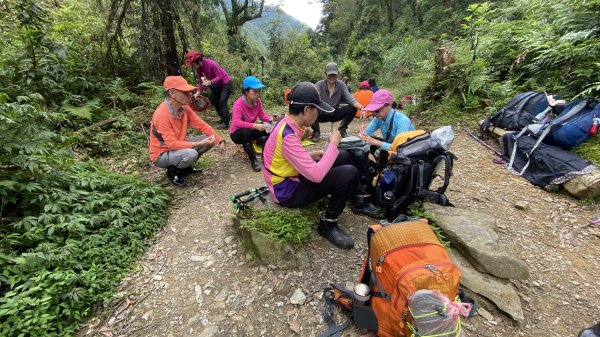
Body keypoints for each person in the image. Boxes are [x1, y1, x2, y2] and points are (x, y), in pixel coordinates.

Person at [262, 82, 364, 249]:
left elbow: (278, 155)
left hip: (290, 175)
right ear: (307, 109)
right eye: (317, 109)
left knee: (343, 156)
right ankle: (328, 224)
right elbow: (316, 175)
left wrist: (309, 155)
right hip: (286, 191)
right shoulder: (287, 134)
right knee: (350, 173)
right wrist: (332, 144)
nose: (319, 113)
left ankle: (348, 195)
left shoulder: (286, 123)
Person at [149, 75, 226, 186]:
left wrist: (220, 140)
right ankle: (173, 172)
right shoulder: (161, 114)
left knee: (210, 139)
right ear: (172, 93)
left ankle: (184, 167)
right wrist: (200, 143)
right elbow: (171, 144)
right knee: (191, 153)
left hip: (177, 148)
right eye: (185, 92)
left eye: (189, 92)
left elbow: (202, 125)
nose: (189, 95)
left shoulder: (184, 108)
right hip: (161, 154)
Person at [358, 89, 415, 167]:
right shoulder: (378, 118)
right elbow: (366, 134)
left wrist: (376, 142)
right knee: (367, 141)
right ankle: (382, 163)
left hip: (406, 151)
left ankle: (384, 166)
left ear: (388, 105)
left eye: (377, 110)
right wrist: (362, 134)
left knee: (380, 147)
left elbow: (399, 148)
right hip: (392, 144)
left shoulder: (402, 120)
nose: (374, 113)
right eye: (372, 110)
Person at [230, 76, 276, 172]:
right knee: (245, 132)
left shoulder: (257, 101)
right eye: (254, 91)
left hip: (250, 130)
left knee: (268, 129)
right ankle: (253, 160)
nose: (257, 94)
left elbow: (262, 115)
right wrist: (255, 125)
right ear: (246, 92)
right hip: (237, 134)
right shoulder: (238, 103)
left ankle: (268, 154)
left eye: (258, 91)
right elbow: (236, 122)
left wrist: (270, 119)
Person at [309, 62, 365, 142]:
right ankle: (316, 132)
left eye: (334, 75)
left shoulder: (341, 85)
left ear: (338, 74)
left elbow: (350, 99)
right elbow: (311, 98)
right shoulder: (319, 85)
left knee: (352, 108)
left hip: (334, 112)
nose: (332, 77)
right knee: (311, 108)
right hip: (321, 113)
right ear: (325, 74)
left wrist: (362, 108)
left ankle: (342, 129)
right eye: (329, 75)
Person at [184, 50, 232, 129]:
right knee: (215, 102)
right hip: (216, 85)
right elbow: (200, 82)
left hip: (225, 83)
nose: (193, 67)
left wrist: (210, 82)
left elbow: (219, 76)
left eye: (193, 64)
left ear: (197, 62)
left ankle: (226, 124)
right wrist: (197, 94)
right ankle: (222, 119)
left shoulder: (210, 63)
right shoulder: (198, 69)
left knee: (222, 101)